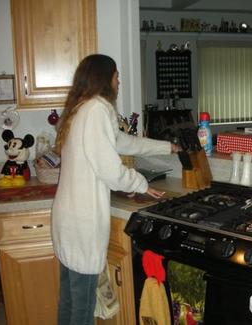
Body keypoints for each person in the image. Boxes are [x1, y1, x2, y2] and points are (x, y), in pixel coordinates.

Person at [51, 54, 180, 325]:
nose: (119, 80)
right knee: (83, 309)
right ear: (104, 78)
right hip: (82, 224)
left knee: (69, 301)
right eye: (116, 74)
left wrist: (167, 147)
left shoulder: (82, 109)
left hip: (68, 220)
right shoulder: (97, 109)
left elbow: (123, 142)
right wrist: (141, 184)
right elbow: (111, 172)